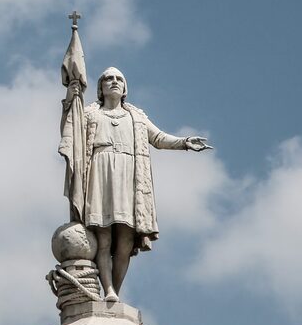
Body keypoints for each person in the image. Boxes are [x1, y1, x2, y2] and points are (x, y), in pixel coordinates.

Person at [63, 67, 211, 301]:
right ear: (100, 87)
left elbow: (159, 138)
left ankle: (115, 290)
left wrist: (184, 142)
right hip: (99, 172)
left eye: (119, 79)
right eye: (108, 79)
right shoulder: (91, 113)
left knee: (125, 240)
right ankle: (109, 290)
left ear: (125, 89)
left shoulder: (137, 116)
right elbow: (71, 131)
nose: (114, 82)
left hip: (129, 174)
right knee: (103, 238)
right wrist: (71, 100)